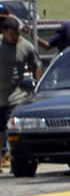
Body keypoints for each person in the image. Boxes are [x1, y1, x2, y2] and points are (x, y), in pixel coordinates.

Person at [0, 16, 41, 168]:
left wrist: (38, 87)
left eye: (17, 33)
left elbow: (36, 65)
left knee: (11, 126)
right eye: (12, 34)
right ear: (3, 32)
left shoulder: (26, 46)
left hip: (16, 94)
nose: (16, 37)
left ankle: (12, 156)